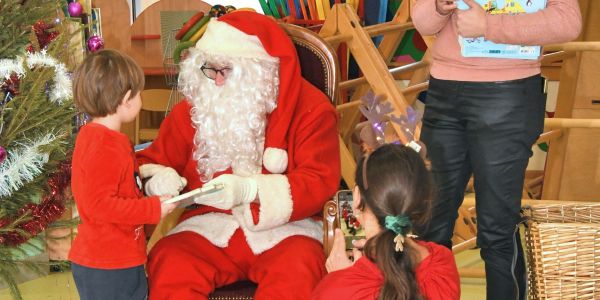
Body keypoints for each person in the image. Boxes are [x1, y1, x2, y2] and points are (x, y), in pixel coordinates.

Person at [137, 11, 340, 299]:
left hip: (287, 230)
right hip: (208, 227)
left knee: (299, 270)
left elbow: (319, 182)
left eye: (226, 71)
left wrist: (250, 190)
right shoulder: (196, 109)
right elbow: (150, 162)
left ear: (258, 69)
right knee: (170, 261)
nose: (216, 82)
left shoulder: (311, 110)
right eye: (209, 69)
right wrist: (155, 179)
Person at [411, 0, 582, 299]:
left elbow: (569, 21)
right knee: (429, 226)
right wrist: (439, 6)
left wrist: (490, 27)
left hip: (510, 91)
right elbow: (424, 23)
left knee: (497, 231)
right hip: (443, 90)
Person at [69, 49, 176, 300]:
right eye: (139, 94)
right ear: (127, 99)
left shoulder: (96, 137)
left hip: (113, 258)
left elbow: (118, 185)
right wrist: (152, 209)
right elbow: (100, 205)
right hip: (109, 264)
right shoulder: (105, 145)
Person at [312, 144, 460, 300]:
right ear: (423, 202)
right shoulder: (443, 263)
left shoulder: (337, 291)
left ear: (356, 197)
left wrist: (340, 278)